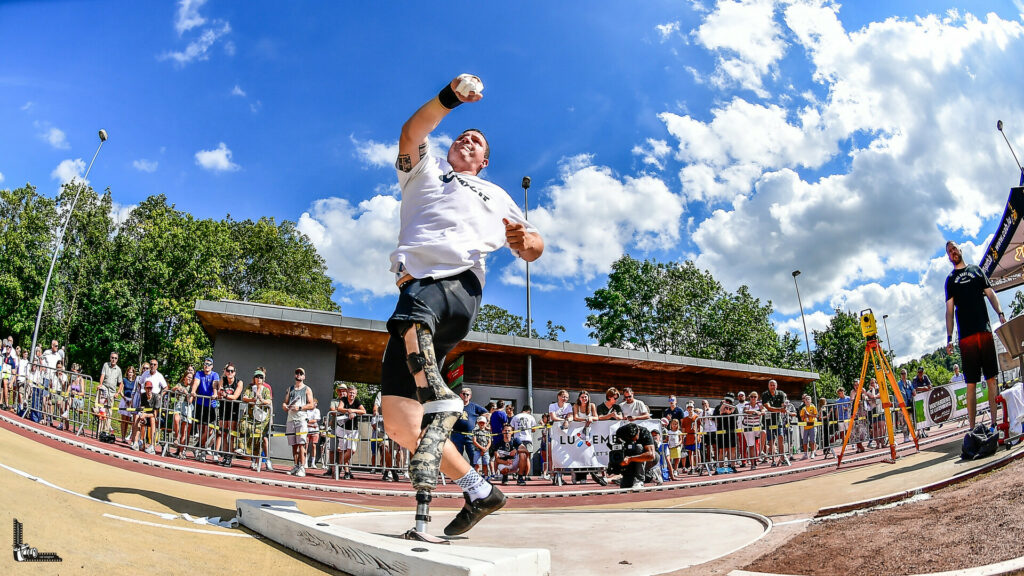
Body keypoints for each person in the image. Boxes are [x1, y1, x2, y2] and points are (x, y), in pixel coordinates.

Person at [379, 73, 544, 538]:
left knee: (414, 318)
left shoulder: (497, 194)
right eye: (463, 136)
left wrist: (525, 239)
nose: (469, 140)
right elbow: (412, 133)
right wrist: (450, 97)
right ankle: (478, 489)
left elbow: (534, 247)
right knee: (399, 422)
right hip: (414, 293)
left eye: (478, 143)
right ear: (449, 148)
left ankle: (439, 397)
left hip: (453, 285)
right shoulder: (422, 171)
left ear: (485, 161)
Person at [944, 240, 1005, 429]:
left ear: (960, 250)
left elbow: (990, 293)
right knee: (971, 383)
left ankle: (994, 423)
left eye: (954, 248)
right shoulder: (951, 280)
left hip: (984, 331)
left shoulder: (976, 271)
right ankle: (972, 428)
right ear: (948, 257)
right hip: (966, 337)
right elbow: (949, 311)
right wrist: (949, 338)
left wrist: (1000, 313)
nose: (953, 251)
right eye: (949, 251)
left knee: (992, 379)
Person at [281, 368, 315, 477]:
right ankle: (295, 465)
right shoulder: (290, 389)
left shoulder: (307, 389)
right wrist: (285, 407)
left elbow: (311, 405)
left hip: (301, 419)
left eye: (301, 373)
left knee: (301, 444)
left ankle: (302, 467)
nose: (299, 375)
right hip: (291, 419)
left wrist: (299, 407)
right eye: (297, 373)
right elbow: (285, 403)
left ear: (304, 376)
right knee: (293, 445)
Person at [239, 369, 273, 471]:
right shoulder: (250, 387)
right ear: (254, 378)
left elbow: (269, 401)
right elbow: (244, 397)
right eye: (257, 377)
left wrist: (261, 400)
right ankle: (245, 451)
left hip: (263, 419)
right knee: (244, 426)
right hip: (251, 416)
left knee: (261, 439)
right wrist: (252, 400)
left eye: (261, 377)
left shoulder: (266, 389)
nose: (259, 379)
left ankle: (265, 461)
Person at [328, 384, 365, 479]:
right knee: (342, 450)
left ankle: (338, 466)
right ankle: (346, 471)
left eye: (353, 393)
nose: (351, 394)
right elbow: (339, 408)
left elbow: (363, 411)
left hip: (353, 430)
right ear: (347, 393)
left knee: (351, 450)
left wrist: (353, 411)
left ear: (356, 394)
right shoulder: (343, 400)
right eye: (350, 392)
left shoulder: (357, 401)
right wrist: (348, 411)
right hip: (342, 428)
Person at [450, 387, 488, 472]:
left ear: (470, 396)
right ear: (460, 395)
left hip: (470, 435)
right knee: (457, 455)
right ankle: (457, 474)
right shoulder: (455, 405)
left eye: (467, 394)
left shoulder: (474, 406)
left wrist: (485, 423)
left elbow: (487, 413)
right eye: (464, 394)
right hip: (457, 434)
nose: (465, 396)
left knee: (473, 455)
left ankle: (473, 474)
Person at [610, 422, 657, 489]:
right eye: (631, 439)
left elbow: (651, 456)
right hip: (631, 458)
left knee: (638, 447)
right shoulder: (620, 432)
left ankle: (639, 479)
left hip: (651, 459)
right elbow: (617, 450)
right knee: (625, 486)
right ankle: (650, 475)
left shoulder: (645, 433)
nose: (634, 441)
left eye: (634, 438)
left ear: (638, 431)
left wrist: (630, 459)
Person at [191, 358, 220, 462]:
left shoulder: (215, 375)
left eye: (209, 364)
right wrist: (193, 391)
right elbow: (196, 382)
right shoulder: (199, 373)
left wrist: (215, 393)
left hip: (211, 405)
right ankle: (202, 451)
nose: (206, 366)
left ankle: (197, 447)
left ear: (212, 366)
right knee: (202, 429)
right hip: (200, 404)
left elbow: (215, 385)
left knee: (209, 430)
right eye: (205, 364)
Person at [216, 362, 244, 467]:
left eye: (232, 371)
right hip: (223, 408)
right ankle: (224, 456)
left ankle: (229, 458)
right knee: (223, 433)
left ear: (235, 372)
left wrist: (225, 395)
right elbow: (220, 391)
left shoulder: (239, 382)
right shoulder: (222, 380)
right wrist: (222, 393)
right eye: (228, 371)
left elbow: (235, 396)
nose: (230, 373)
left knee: (231, 435)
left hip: (233, 409)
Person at [762, 380, 791, 466]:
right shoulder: (765, 394)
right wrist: (780, 410)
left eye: (774, 385)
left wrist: (784, 407)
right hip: (768, 421)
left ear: (776, 386)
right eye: (771, 385)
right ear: (768, 386)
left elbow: (783, 405)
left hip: (778, 420)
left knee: (781, 437)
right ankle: (773, 460)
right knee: (771, 441)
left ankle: (782, 458)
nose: (772, 387)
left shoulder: (781, 394)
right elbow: (768, 407)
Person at [169, 365, 195, 458]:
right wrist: (177, 389)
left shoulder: (192, 388)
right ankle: (177, 437)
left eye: (191, 378)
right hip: (179, 405)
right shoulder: (180, 384)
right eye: (188, 377)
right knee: (176, 419)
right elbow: (172, 390)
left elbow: (190, 401)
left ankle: (181, 451)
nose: (189, 379)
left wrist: (188, 395)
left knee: (185, 430)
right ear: (184, 377)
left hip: (187, 407)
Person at [97, 351, 122, 436]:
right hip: (104, 389)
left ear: (117, 359)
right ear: (110, 358)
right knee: (101, 410)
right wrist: (100, 384)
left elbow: (121, 383)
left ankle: (106, 430)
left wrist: (118, 393)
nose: (113, 360)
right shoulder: (106, 365)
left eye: (115, 358)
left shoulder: (118, 370)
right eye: (112, 358)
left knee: (109, 412)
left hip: (112, 392)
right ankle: (99, 430)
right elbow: (102, 375)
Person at [131, 380, 160, 454]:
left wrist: (146, 415)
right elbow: (142, 407)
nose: (149, 390)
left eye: (150, 388)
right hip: (146, 415)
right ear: (145, 388)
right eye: (147, 388)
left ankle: (152, 446)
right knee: (137, 417)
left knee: (152, 419)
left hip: (154, 416)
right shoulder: (143, 395)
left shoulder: (156, 397)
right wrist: (142, 415)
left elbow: (155, 414)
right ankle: (136, 442)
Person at [740, 392, 764, 469]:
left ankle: (761, 451)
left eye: (755, 397)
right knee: (751, 445)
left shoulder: (759, 404)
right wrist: (755, 412)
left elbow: (763, 410)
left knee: (764, 432)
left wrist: (762, 412)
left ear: (757, 397)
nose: (753, 398)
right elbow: (745, 411)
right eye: (752, 397)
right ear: (749, 398)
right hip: (748, 426)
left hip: (757, 426)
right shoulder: (747, 405)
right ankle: (753, 463)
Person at [116, 365, 137, 443]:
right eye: (129, 372)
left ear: (133, 373)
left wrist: (131, 401)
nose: (130, 374)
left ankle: (126, 436)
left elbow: (135, 391)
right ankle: (123, 437)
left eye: (131, 372)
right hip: (125, 400)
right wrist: (125, 399)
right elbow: (120, 390)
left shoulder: (135, 381)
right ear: (127, 372)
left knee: (128, 420)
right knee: (123, 420)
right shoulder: (124, 380)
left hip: (131, 400)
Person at [896, 369, 916, 443]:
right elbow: (897, 393)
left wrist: (913, 391)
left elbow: (913, 391)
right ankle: (905, 437)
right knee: (904, 422)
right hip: (902, 405)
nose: (903, 375)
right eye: (902, 374)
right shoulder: (899, 383)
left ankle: (910, 435)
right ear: (900, 375)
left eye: (904, 373)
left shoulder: (909, 382)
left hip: (909, 404)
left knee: (910, 421)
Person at [799, 394, 818, 460]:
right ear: (804, 401)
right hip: (805, 427)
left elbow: (816, 415)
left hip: (812, 425)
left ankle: (812, 452)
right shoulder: (803, 409)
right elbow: (801, 418)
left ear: (811, 400)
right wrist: (804, 415)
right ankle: (805, 454)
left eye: (808, 399)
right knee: (805, 441)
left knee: (812, 440)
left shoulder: (813, 407)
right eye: (806, 399)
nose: (807, 401)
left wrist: (809, 414)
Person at [306, 398, 322, 470]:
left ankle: (313, 463)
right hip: (306, 430)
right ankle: (305, 462)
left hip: (315, 431)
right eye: (313, 403)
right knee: (305, 445)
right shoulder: (306, 410)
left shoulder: (317, 411)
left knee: (313, 445)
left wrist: (308, 421)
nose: (314, 404)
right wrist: (308, 423)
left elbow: (315, 420)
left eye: (315, 403)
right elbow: (304, 420)